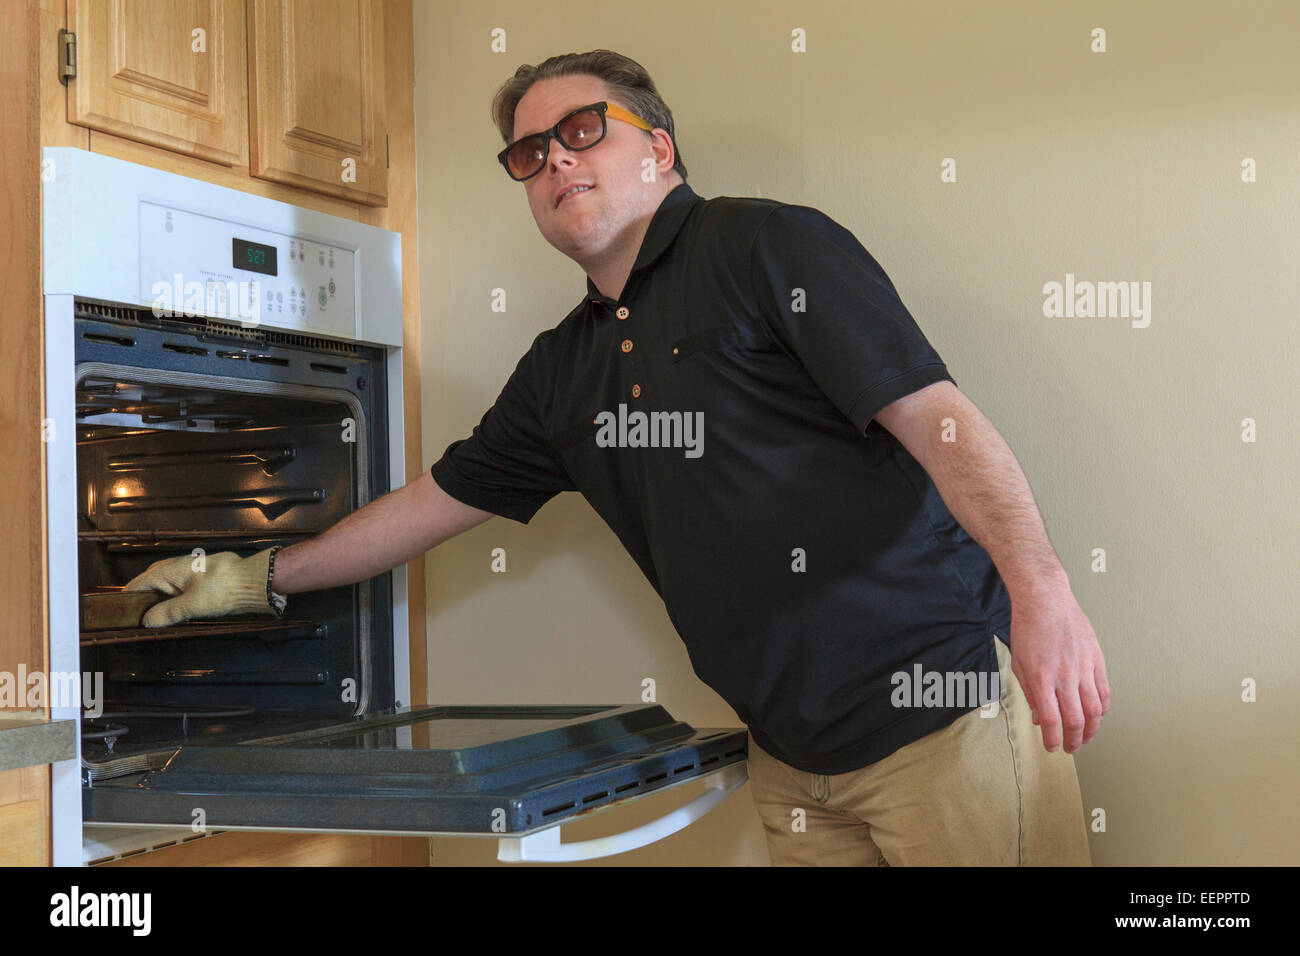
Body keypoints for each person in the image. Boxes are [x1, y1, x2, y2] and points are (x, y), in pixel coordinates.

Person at [127, 49, 1109, 866]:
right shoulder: (562, 372)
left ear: (660, 147)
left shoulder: (769, 247)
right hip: (789, 757)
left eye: (582, 129)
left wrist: (1044, 590)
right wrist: (249, 576)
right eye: (528, 151)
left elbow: (937, 417)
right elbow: (426, 505)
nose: (553, 159)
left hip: (944, 721)